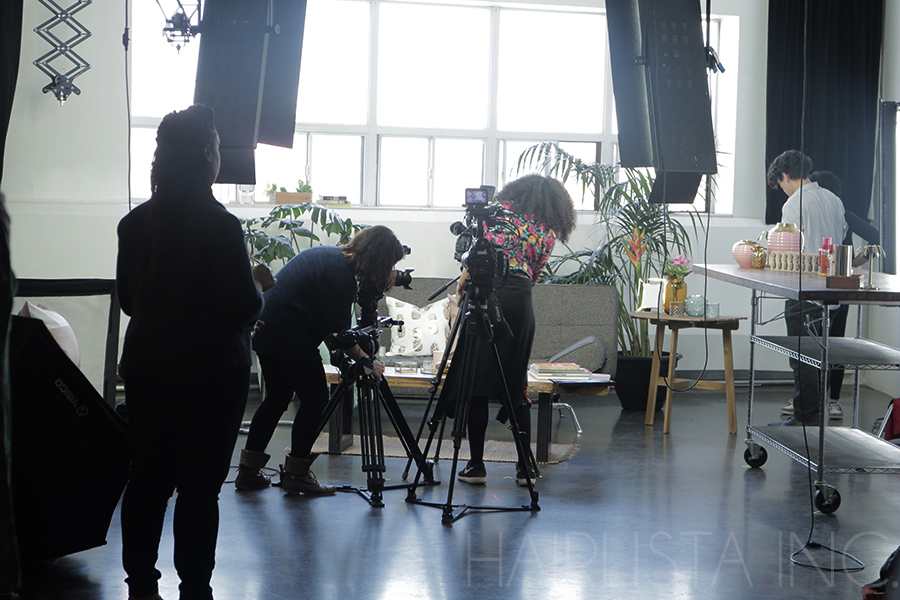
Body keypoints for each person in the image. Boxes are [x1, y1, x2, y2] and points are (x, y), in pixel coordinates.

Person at [117, 105, 274, 600]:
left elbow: (128, 302)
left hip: (146, 368)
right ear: (208, 153)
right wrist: (260, 287)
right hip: (211, 374)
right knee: (199, 489)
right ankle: (195, 589)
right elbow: (241, 306)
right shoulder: (219, 225)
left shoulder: (133, 223)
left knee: (146, 482)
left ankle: (141, 585)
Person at [235, 225, 407, 494]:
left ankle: (248, 471)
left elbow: (327, 323)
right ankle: (297, 474)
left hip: (266, 329)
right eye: (389, 265)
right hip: (289, 336)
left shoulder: (328, 256)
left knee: (277, 397)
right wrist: (366, 362)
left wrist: (350, 355)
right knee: (315, 398)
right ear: (378, 259)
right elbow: (341, 335)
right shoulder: (341, 276)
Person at [454, 174, 576, 486]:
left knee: (477, 384)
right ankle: (526, 468)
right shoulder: (546, 230)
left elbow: (474, 256)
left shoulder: (495, 213)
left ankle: (476, 466)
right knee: (516, 383)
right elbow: (533, 275)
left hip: (485, 295)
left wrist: (465, 283)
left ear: (516, 191)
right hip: (521, 302)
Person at [779, 170, 878, 421]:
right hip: (837, 285)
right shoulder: (834, 207)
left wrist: (853, 263)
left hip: (826, 285)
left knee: (819, 349)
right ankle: (818, 402)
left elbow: (875, 237)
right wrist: (851, 264)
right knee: (829, 347)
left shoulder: (827, 208)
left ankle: (823, 403)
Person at [766, 150, 847, 427]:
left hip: (804, 291)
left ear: (785, 176)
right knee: (820, 356)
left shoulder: (794, 204)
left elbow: (788, 247)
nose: (784, 190)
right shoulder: (834, 200)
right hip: (832, 291)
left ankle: (806, 419)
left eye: (781, 184)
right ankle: (815, 415)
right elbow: (841, 236)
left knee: (802, 358)